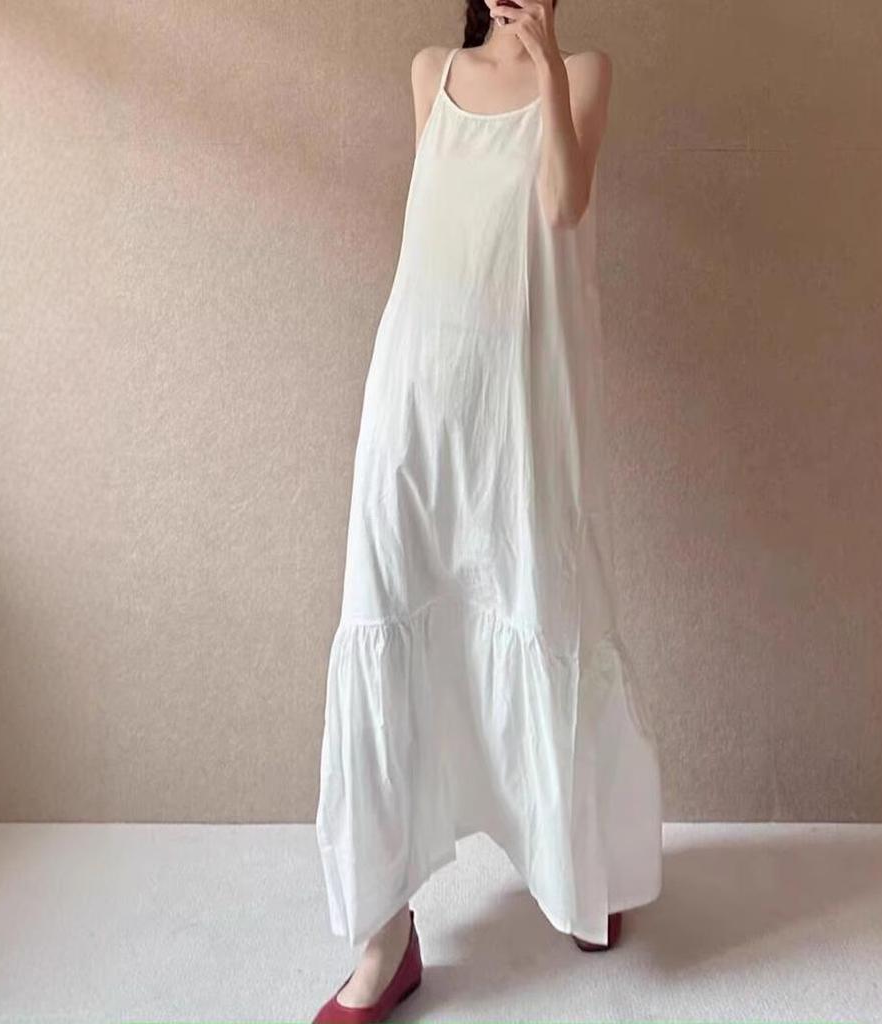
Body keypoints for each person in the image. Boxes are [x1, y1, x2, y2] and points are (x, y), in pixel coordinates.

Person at [312, 1, 663, 1020]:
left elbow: (560, 205)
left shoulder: (584, 72)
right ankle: (384, 942)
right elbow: (435, 239)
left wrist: (546, 64)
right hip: (416, 398)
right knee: (387, 619)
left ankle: (579, 866)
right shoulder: (431, 70)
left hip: (519, 411)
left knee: (543, 610)